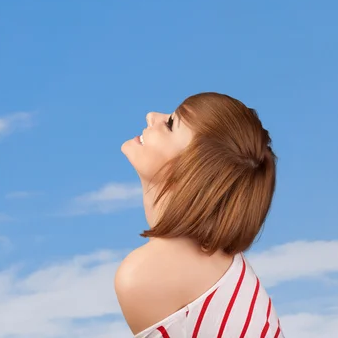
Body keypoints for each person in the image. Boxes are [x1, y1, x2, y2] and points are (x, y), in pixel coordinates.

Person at [116, 92, 284, 338]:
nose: (152, 117)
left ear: (192, 172)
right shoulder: (223, 262)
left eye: (171, 125)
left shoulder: (143, 276)